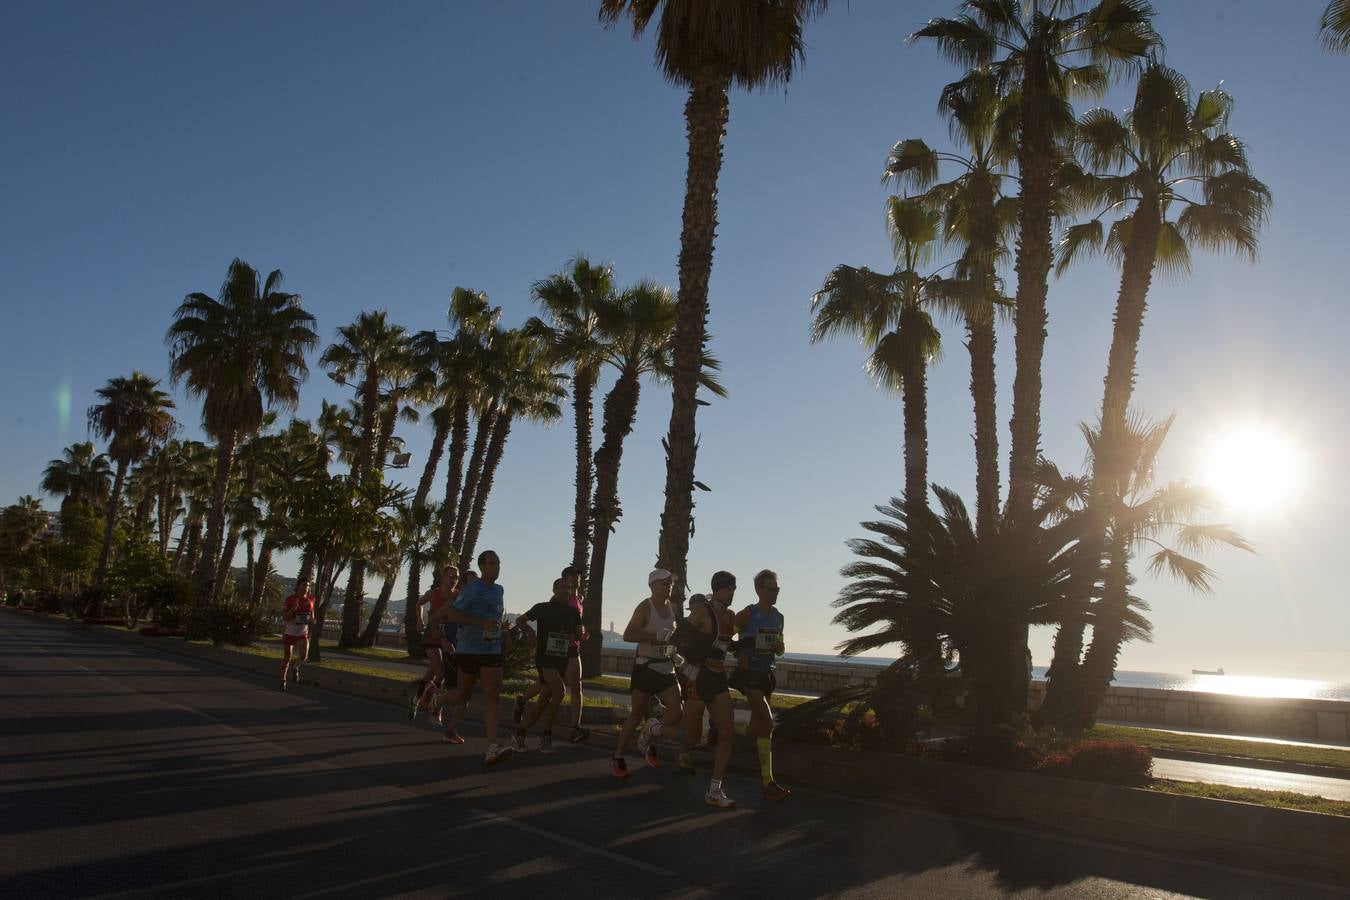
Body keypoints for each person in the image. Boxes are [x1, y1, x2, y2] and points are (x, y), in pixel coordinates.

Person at [441, 550, 512, 766]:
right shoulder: (471, 590)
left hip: (491, 649)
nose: (496, 567)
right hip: (469, 650)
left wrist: (499, 632)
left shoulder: (499, 590)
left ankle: (492, 747)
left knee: (493, 695)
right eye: (491, 563)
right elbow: (452, 615)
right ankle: (437, 700)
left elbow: (495, 617)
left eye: (498, 563)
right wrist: (480, 623)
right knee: (463, 696)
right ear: (482, 567)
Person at [676, 571, 739, 808]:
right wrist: (686, 663)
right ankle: (656, 728)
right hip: (698, 677)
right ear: (718, 589)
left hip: (718, 678)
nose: (732, 592)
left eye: (734, 588)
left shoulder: (730, 616)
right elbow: (679, 636)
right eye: (729, 588)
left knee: (727, 732)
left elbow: (724, 643)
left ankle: (715, 789)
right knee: (691, 737)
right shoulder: (703, 610)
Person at [614, 569, 686, 777]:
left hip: (666, 666)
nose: (669, 586)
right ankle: (618, 756)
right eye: (664, 583)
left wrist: (676, 651)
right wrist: (653, 637)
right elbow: (628, 634)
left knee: (677, 711)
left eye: (670, 583)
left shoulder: (672, 608)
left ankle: (650, 733)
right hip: (645, 667)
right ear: (653, 585)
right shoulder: (645, 607)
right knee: (636, 714)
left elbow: (672, 637)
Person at [731, 568, 790, 801]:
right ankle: (768, 782)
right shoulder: (747, 614)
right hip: (750, 675)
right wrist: (741, 654)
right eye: (771, 589)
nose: (775, 593)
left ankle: (723, 731)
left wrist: (778, 647)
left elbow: (782, 648)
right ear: (758, 589)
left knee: (757, 728)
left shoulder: (779, 617)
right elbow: (725, 639)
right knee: (768, 722)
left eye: (777, 589)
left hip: (767, 675)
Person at [514, 564, 589, 742]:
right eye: (564, 586)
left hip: (565, 655)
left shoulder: (574, 609)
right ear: (555, 589)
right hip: (546, 657)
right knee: (560, 692)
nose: (568, 590)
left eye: (569, 588)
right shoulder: (544, 607)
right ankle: (546, 735)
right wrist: (530, 633)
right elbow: (521, 620)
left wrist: (582, 634)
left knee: (546, 696)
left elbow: (578, 632)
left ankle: (522, 732)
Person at [410, 565, 458, 721]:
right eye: (451, 576)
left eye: (456, 577)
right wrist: (419, 620)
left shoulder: (458, 595)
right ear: (443, 577)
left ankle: (416, 701)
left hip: (447, 638)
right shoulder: (433, 593)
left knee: (429, 676)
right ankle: (434, 706)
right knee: (441, 673)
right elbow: (418, 604)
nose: (454, 580)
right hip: (432, 637)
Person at [279, 579, 316, 690]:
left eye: (308, 586)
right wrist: (293, 609)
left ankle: (295, 667)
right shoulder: (290, 599)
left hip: (302, 633)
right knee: (287, 658)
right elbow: (285, 617)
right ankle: (283, 680)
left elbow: (312, 616)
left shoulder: (311, 599)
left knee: (304, 656)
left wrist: (312, 620)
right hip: (289, 632)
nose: (306, 587)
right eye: (304, 585)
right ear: (298, 586)